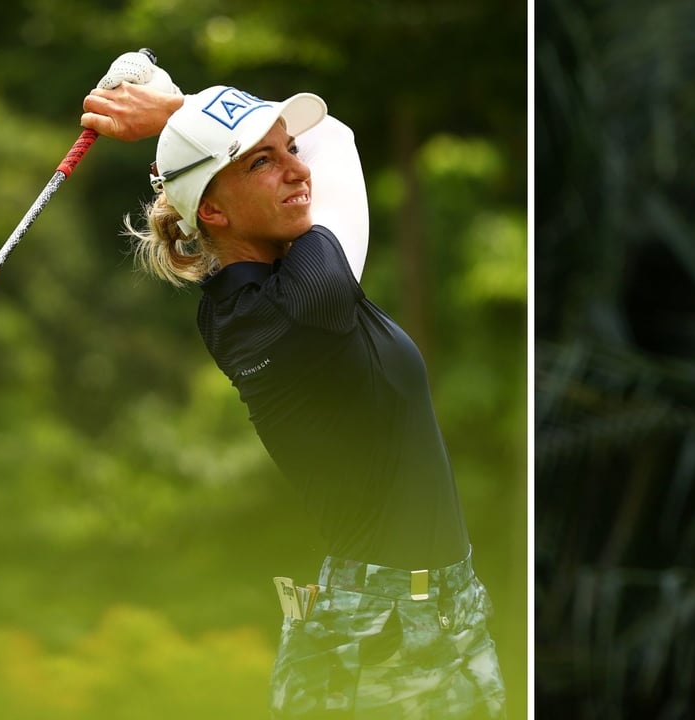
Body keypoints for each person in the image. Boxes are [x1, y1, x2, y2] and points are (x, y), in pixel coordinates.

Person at [81, 52, 506, 719]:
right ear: (214, 213)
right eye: (262, 162)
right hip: (374, 642)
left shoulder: (261, 288)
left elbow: (327, 139)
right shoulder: (303, 302)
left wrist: (184, 114)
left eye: (288, 149)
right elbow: (337, 141)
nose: (298, 169)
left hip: (444, 612)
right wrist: (174, 112)